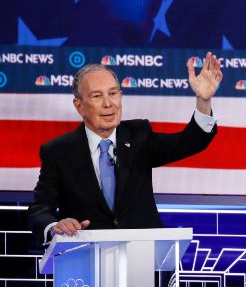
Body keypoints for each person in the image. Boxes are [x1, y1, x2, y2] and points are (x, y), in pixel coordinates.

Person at [27, 53, 223, 244]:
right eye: (97, 96)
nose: (108, 104)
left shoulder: (139, 135)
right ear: (79, 106)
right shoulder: (58, 152)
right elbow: (40, 208)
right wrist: (54, 226)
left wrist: (203, 101)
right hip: (86, 258)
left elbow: (190, 142)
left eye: (113, 93)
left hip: (143, 258)